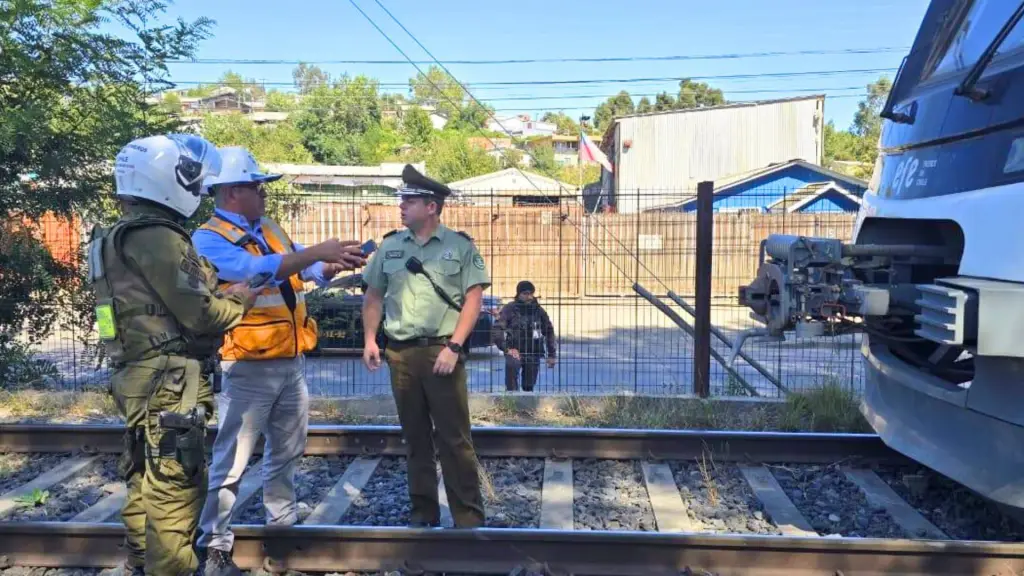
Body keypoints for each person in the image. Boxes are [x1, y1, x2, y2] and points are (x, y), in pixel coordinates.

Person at [191, 146, 366, 576]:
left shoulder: (268, 226)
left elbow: (302, 269)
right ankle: (213, 544)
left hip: (290, 360)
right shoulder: (207, 238)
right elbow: (257, 270)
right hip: (248, 364)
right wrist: (312, 255)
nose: (264, 195)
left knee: (287, 451)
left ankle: (281, 528)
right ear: (233, 192)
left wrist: (332, 264)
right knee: (231, 460)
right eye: (257, 186)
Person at [89, 134, 254, 576]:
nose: (198, 188)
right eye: (191, 178)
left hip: (134, 374)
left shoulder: (111, 238)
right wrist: (239, 301)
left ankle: (141, 564)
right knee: (176, 492)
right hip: (170, 382)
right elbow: (200, 314)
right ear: (166, 178)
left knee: (145, 478)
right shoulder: (157, 236)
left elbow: (118, 316)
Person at [361, 164, 489, 529]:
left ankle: (468, 519)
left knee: (454, 439)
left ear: (431, 206)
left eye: (409, 200)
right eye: (402, 199)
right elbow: (373, 295)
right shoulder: (390, 247)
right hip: (400, 354)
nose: (401, 206)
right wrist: (371, 339)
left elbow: (473, 299)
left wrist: (454, 345)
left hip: (441, 352)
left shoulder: (459, 247)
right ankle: (423, 515)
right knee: (415, 439)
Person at [494, 280, 557, 392]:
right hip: (514, 350)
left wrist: (552, 354)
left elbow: (549, 331)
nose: (529, 297)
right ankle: (512, 400)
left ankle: (527, 403)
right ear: (518, 294)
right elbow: (497, 329)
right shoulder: (510, 308)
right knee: (512, 381)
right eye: (525, 293)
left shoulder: (538, 310)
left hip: (533, 350)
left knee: (529, 385)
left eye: (531, 293)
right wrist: (507, 349)